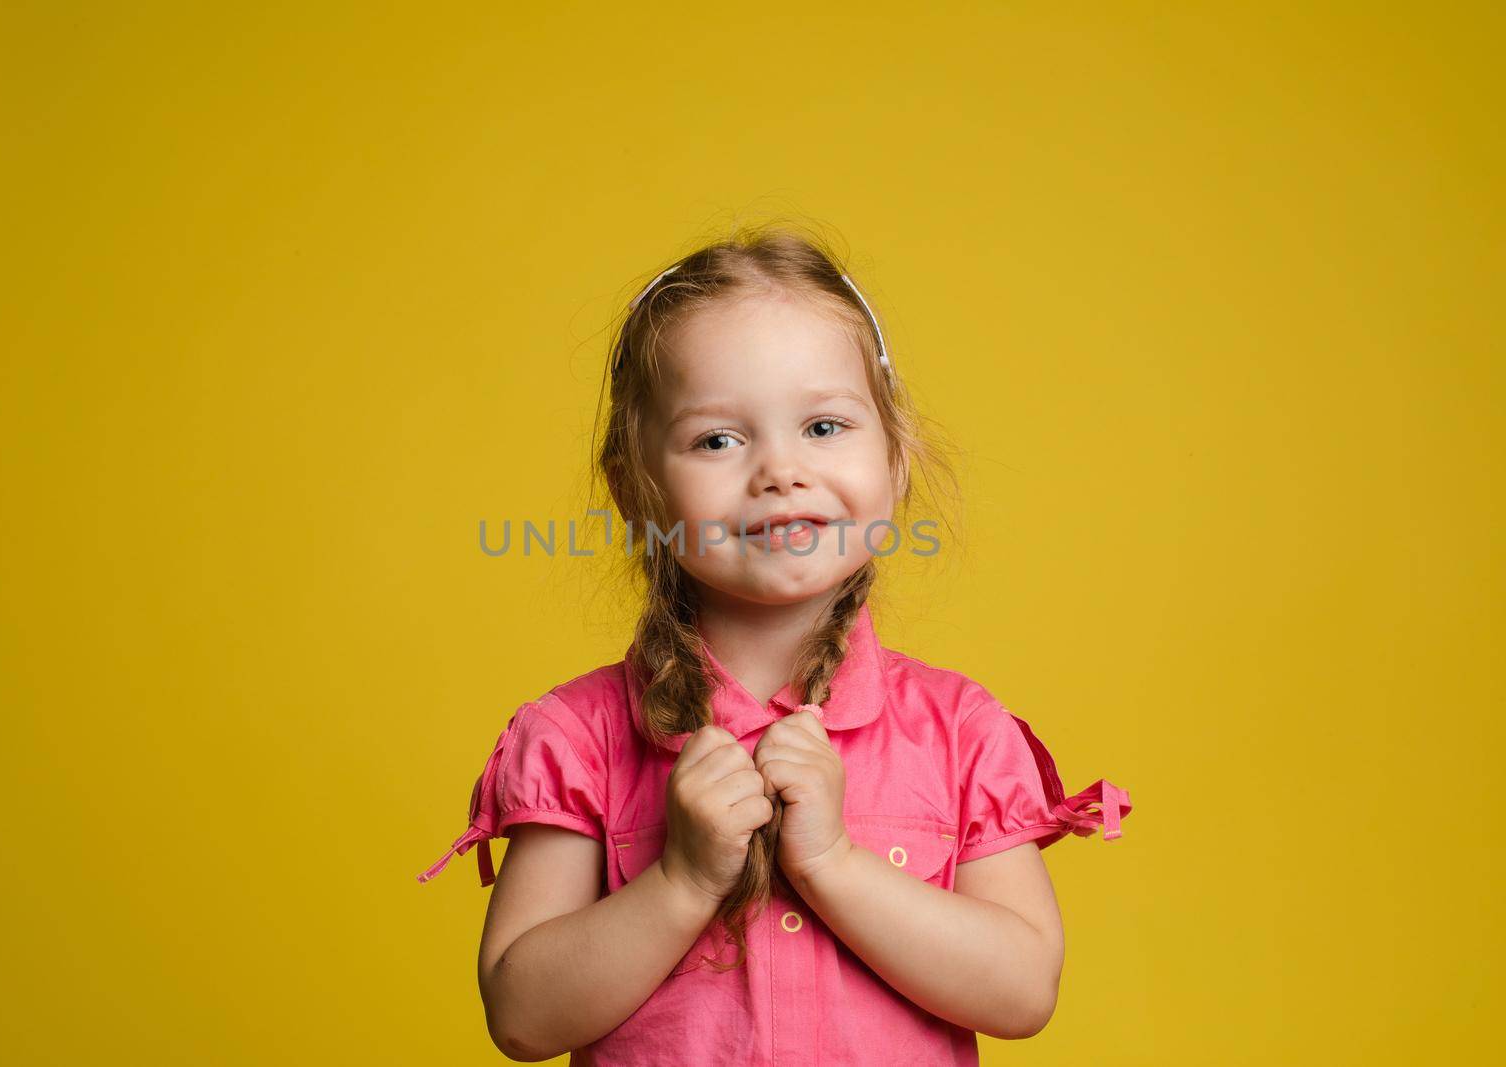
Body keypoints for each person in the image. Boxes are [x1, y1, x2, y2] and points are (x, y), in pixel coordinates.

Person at [417, 224, 1133, 1065]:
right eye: (718, 439)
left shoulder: (960, 729)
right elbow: (522, 1015)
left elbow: (1021, 992)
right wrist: (680, 879)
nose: (779, 470)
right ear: (633, 486)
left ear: (896, 457)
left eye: (825, 426)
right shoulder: (577, 738)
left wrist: (832, 861)